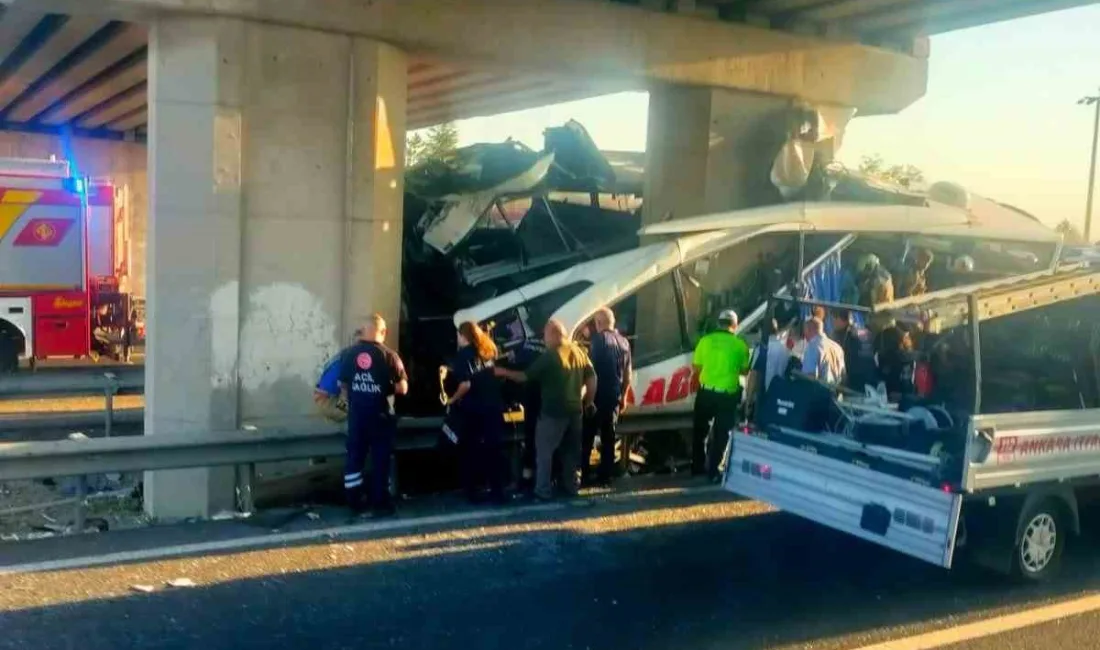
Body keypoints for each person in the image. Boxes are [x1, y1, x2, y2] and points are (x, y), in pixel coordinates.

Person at [496, 319, 596, 501]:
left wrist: (502, 372)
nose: (544, 339)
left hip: (552, 412)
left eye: (546, 335)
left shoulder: (551, 355)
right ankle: (572, 487)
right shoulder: (580, 351)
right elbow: (592, 378)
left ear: (554, 334)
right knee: (571, 453)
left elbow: (524, 377)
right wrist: (588, 401)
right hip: (575, 412)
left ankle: (542, 491)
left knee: (544, 452)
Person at [338, 314, 408, 518]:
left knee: (355, 458)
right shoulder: (390, 356)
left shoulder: (348, 355)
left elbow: (342, 385)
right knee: (381, 460)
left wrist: (358, 392)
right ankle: (380, 502)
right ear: (383, 332)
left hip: (357, 417)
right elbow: (403, 387)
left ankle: (354, 501)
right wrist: (384, 388)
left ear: (363, 331)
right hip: (381, 417)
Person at [445, 321, 507, 504]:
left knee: (471, 450)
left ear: (463, 335)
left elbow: (466, 384)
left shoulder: (463, 355)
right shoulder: (488, 352)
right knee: (494, 450)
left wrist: (453, 399)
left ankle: (472, 491)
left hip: (474, 409)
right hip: (494, 407)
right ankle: (497, 491)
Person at [691, 309, 751, 480]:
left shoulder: (705, 341)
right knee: (721, 433)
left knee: (700, 431)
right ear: (735, 325)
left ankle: (697, 468)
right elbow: (745, 370)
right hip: (727, 395)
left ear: (718, 323)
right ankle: (713, 471)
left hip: (705, 392)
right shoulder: (740, 345)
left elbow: (696, 367)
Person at [581, 307, 632, 487]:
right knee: (609, 437)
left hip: (597, 395)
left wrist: (587, 398)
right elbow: (628, 375)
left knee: (587, 436)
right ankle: (606, 476)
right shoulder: (625, 343)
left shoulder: (597, 340)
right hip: (614, 396)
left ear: (598, 323)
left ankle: (585, 475)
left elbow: (590, 372)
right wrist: (624, 396)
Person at [831, 310, 876, 393]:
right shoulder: (864, 331)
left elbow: (843, 357)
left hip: (854, 379)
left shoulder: (843, 334)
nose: (833, 323)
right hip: (871, 376)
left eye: (834, 319)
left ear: (840, 320)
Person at [801, 317, 845, 385]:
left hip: (820, 392)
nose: (805, 336)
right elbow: (843, 375)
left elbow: (809, 376)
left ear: (809, 330)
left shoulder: (812, 347)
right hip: (836, 391)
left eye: (805, 331)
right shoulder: (837, 347)